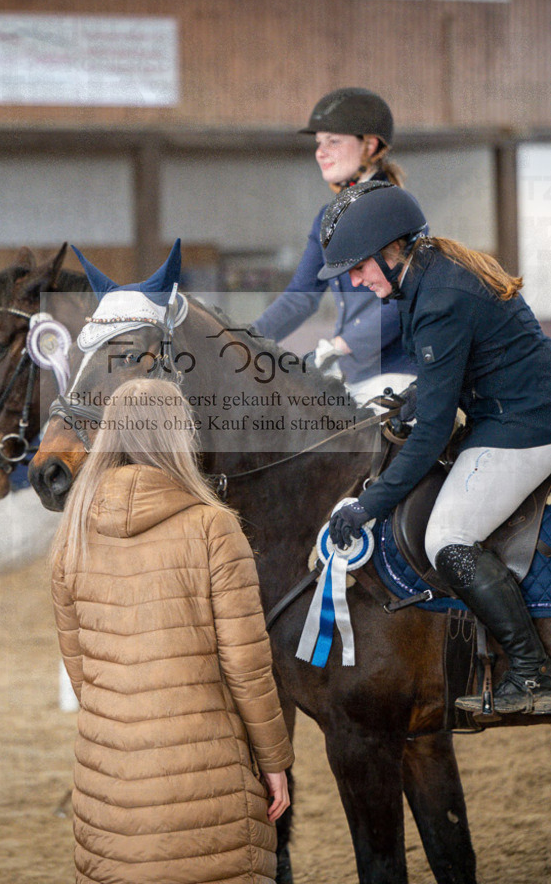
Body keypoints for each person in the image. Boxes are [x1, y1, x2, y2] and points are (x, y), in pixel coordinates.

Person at [51, 377, 294, 884]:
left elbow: (81, 671)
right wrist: (275, 760)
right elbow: (246, 666)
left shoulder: (73, 531)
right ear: (179, 435)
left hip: (108, 777)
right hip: (208, 772)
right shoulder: (213, 527)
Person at [323, 179, 551, 716]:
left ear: (390, 249)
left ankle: (531, 671)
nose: (355, 280)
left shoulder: (440, 296)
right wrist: (411, 397)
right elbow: (452, 369)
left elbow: (431, 434)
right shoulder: (427, 275)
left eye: (359, 267)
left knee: (447, 538)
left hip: (526, 425)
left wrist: (367, 506)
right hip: (504, 411)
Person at [252, 87, 417, 400]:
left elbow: (407, 295)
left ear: (369, 145)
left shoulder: (396, 208)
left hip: (396, 371)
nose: (320, 152)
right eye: (318, 142)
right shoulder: (326, 217)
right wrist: (243, 338)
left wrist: (343, 344)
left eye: (333, 141)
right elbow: (300, 297)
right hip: (352, 374)